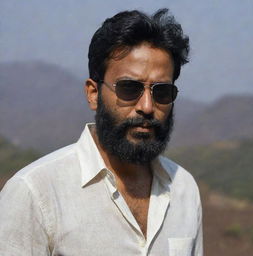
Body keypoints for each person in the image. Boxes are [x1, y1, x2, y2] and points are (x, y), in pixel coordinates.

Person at [0, 8, 203, 256]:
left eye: (161, 92)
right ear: (93, 94)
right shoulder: (35, 193)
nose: (147, 107)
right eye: (129, 88)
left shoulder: (184, 189)